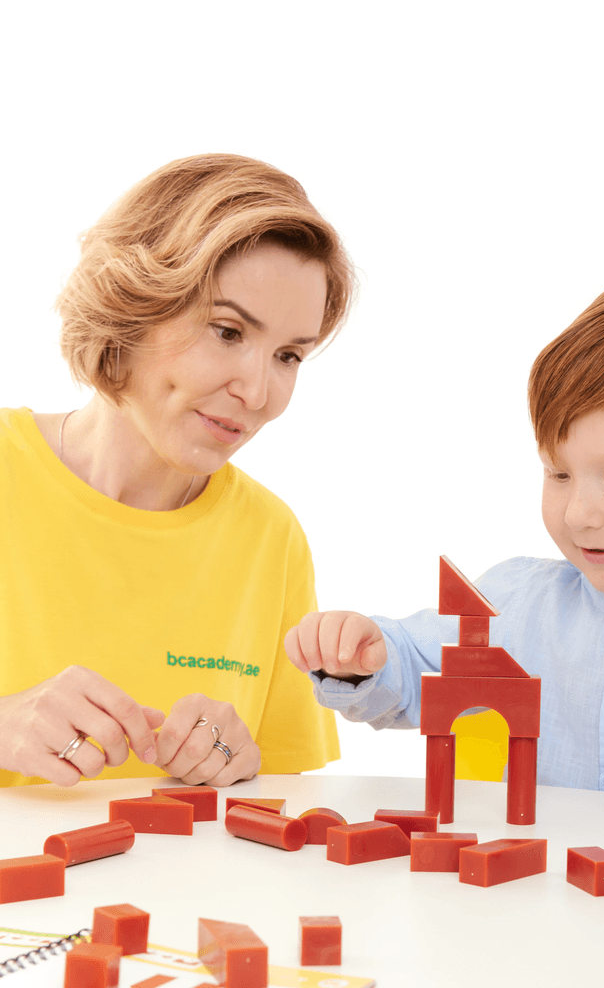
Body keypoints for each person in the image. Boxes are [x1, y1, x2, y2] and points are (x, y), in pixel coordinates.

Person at [285, 269, 604, 821]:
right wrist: (364, 657)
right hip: (527, 900)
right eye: (558, 474)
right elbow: (415, 667)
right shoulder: (514, 601)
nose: (577, 514)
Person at [1, 153, 354, 789]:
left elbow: (290, 814)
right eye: (226, 331)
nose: (257, 390)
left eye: (288, 355)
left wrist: (244, 769)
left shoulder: (271, 541)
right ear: (130, 304)